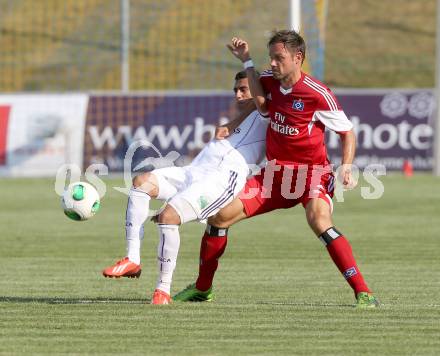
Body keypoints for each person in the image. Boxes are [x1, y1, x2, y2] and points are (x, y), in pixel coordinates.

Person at [173, 30, 379, 308]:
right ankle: (202, 288)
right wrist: (245, 64)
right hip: (275, 175)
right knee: (219, 218)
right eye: (270, 57)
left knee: (319, 220)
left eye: (278, 58)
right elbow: (260, 107)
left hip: (312, 175)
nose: (272, 63)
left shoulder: (318, 94)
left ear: (298, 58)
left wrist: (347, 167)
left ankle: (363, 291)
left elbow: (347, 132)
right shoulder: (269, 81)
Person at [102, 70, 268, 304]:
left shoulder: (266, 114)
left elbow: (264, 104)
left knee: (168, 217)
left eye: (244, 90)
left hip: (222, 181)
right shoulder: (236, 119)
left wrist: (247, 59)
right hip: (192, 173)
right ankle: (132, 259)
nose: (238, 95)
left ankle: (162, 290)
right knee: (141, 183)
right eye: (235, 90)